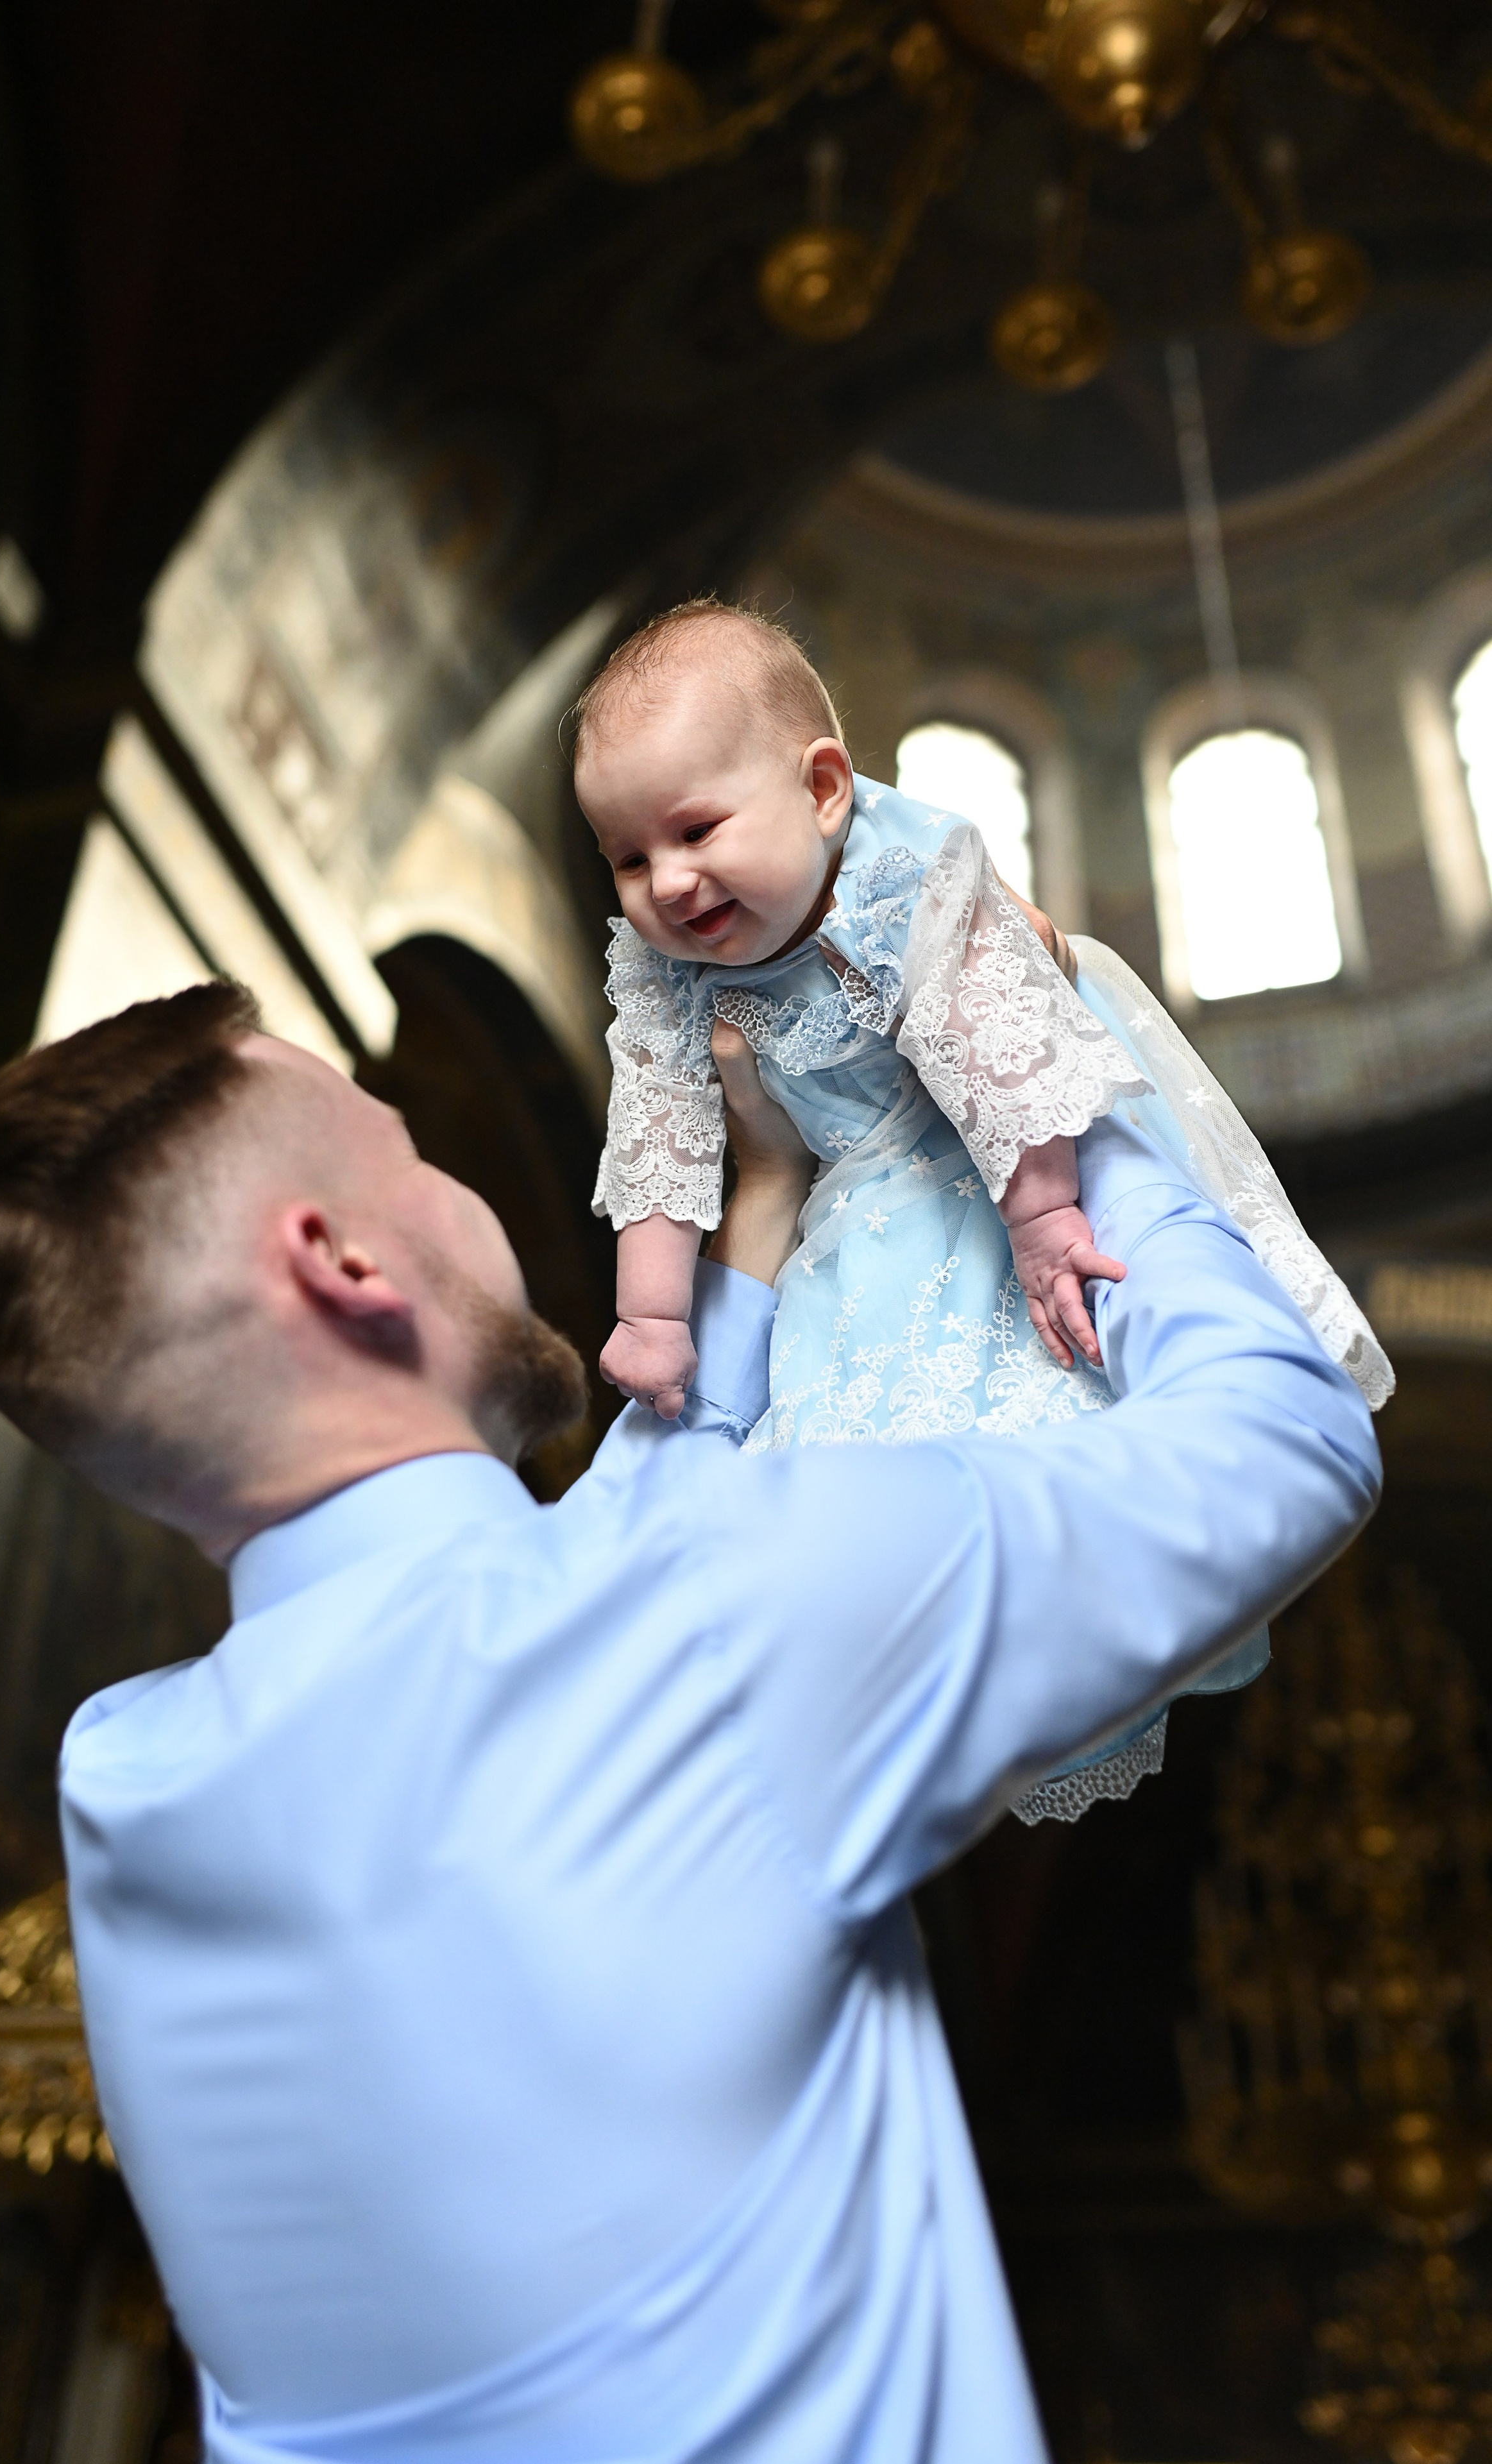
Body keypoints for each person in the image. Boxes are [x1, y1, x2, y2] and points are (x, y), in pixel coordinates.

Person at [0, 979, 1380, 2464]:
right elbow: (1285, 1439)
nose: (456, 1188)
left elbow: (581, 1618)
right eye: (411, 1153)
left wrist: (760, 1203)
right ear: (340, 1256)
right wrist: (1043, 1087)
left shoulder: (131, 1781)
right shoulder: (719, 1608)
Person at [575, 599, 1393, 1817]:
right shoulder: (665, 970)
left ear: (826, 789)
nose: (670, 883)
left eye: (696, 830)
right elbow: (656, 1139)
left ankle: (1055, 1581)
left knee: (1033, 1371)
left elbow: (997, 1047)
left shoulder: (908, 874)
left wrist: (1046, 1216)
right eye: (631, 859)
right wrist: (655, 1316)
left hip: (992, 1153)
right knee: (862, 1429)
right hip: (851, 1212)